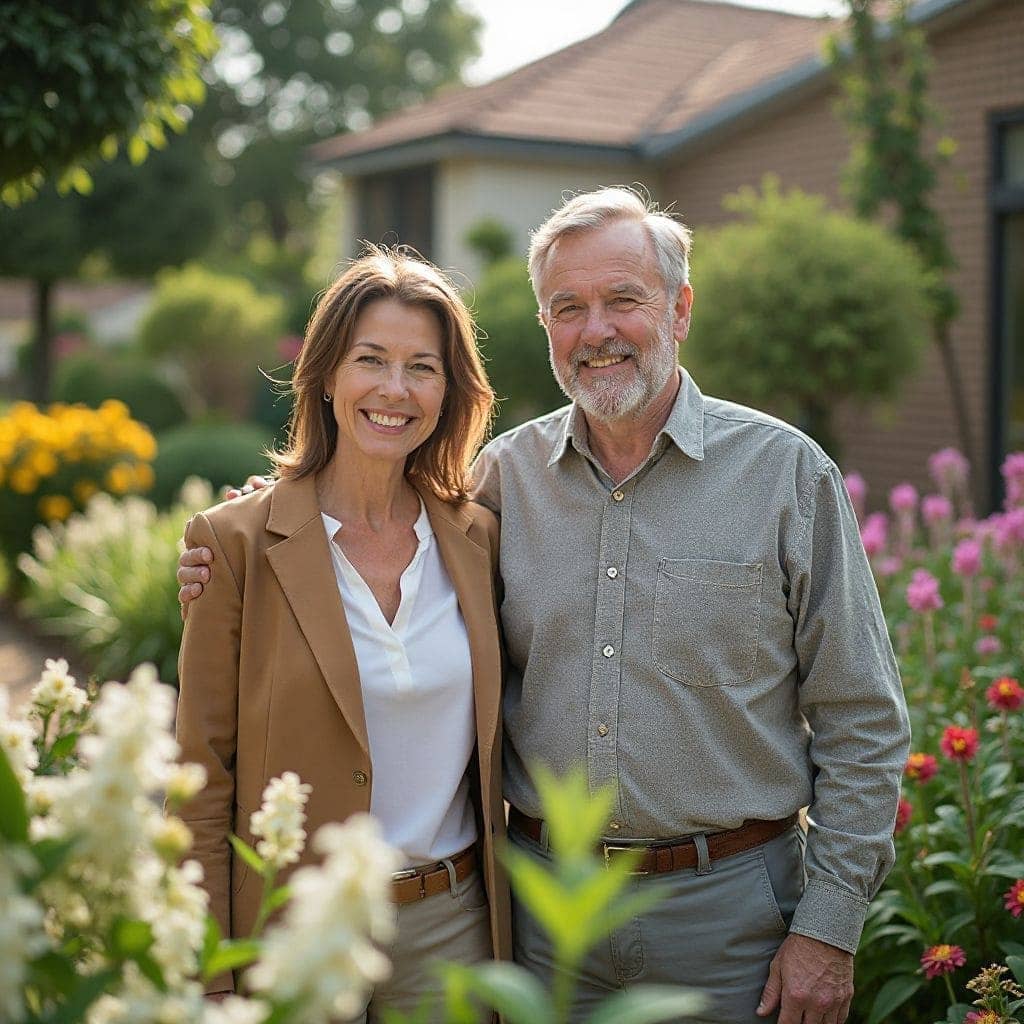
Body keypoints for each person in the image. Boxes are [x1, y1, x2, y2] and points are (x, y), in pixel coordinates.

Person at [178, 188, 911, 1024]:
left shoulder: (785, 476)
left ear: (680, 307)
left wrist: (829, 929)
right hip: (535, 919)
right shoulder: (500, 485)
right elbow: (341, 520)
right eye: (568, 307)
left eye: (623, 299)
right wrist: (246, 534)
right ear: (544, 325)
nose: (596, 330)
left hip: (729, 920)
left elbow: (864, 717)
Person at [174, 247, 509, 1021]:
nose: (395, 390)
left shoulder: (479, 538)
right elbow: (201, 775)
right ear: (326, 375)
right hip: (296, 932)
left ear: (449, 391)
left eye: (422, 367)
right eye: (371, 360)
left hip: (449, 926)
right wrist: (209, 968)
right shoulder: (235, 544)